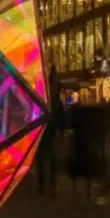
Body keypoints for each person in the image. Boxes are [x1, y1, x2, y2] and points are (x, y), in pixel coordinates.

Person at [37, 65, 62, 197]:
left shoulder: (52, 100)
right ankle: (46, 184)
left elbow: (61, 117)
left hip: (49, 133)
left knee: (49, 159)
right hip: (45, 133)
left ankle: (48, 184)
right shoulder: (48, 100)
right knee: (45, 158)